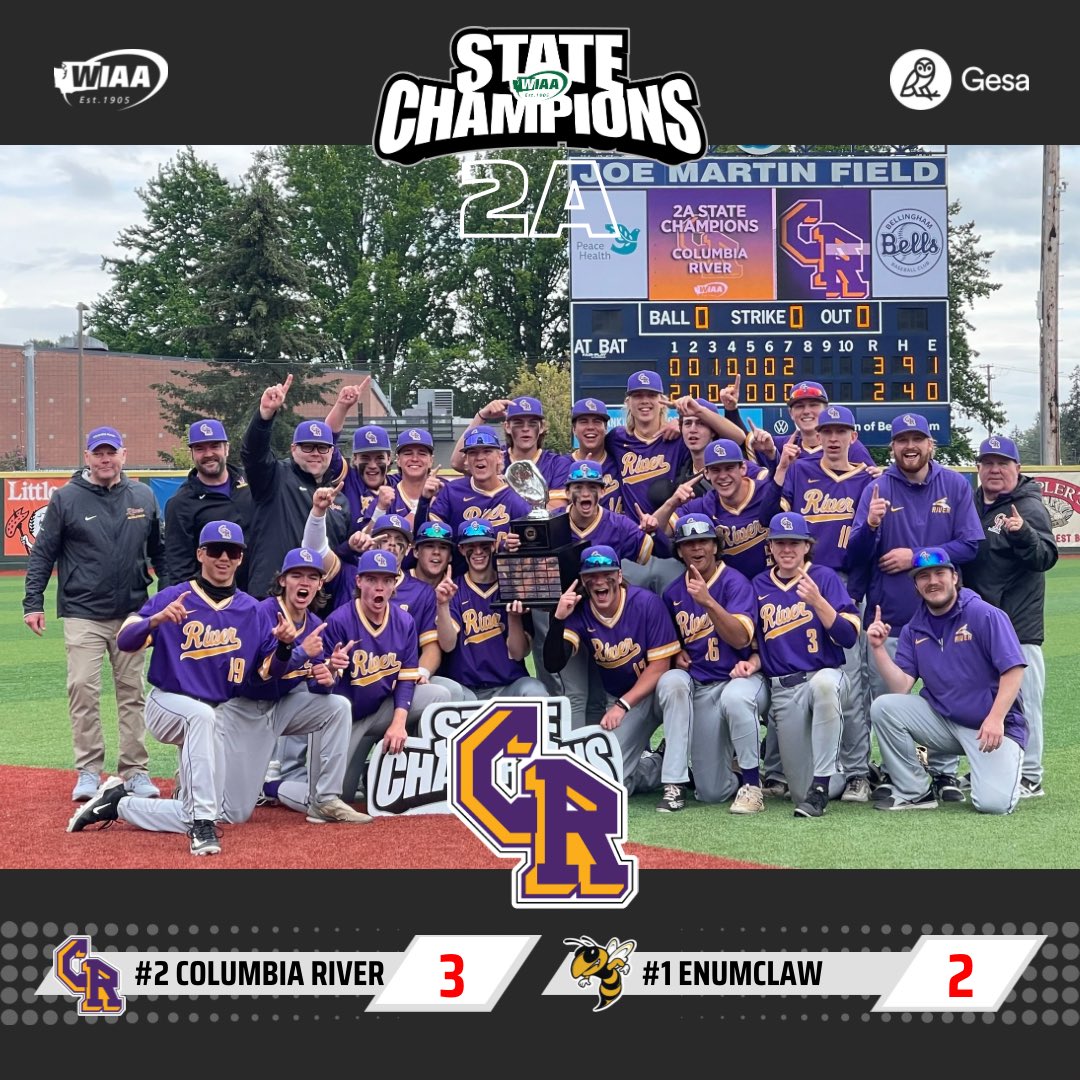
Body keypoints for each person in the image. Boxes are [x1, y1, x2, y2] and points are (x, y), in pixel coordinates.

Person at [66, 522, 297, 855]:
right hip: (167, 704)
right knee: (200, 720)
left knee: (228, 813)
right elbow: (125, 640)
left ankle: (119, 804)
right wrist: (155, 620)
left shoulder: (252, 610)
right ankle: (201, 827)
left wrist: (286, 648)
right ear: (201, 554)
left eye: (232, 552)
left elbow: (265, 673)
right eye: (215, 550)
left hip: (215, 717)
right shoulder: (174, 597)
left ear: (240, 558)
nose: (224, 558)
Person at [23, 425, 166, 802]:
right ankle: (88, 770)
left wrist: (164, 602)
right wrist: (33, 602)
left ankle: (135, 771)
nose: (105, 459)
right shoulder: (66, 498)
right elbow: (43, 553)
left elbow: (160, 553)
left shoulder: (143, 495)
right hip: (83, 610)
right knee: (82, 689)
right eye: (98, 453)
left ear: (123, 455)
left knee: (132, 692)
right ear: (87, 457)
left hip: (132, 612)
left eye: (111, 452)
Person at [848, 412, 984, 801]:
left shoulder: (954, 484)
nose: (910, 446)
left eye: (917, 439)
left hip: (944, 619)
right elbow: (855, 554)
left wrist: (917, 556)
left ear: (930, 444)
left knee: (948, 697)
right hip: (890, 617)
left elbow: (971, 544)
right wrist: (871, 526)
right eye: (902, 440)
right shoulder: (876, 488)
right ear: (892, 447)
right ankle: (903, 775)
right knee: (887, 700)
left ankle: (944, 774)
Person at [217, 547, 371, 825]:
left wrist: (329, 674)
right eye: (296, 575)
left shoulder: (315, 624)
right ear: (283, 580)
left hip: (281, 708)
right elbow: (259, 677)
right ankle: (188, 785)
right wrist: (298, 652)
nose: (305, 583)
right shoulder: (261, 613)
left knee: (337, 706)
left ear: (320, 584)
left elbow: (315, 686)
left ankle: (325, 800)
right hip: (243, 711)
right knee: (233, 814)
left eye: (312, 577)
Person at [867, 548, 1027, 814]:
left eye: (940, 573)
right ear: (916, 585)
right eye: (923, 576)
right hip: (944, 723)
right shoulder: (913, 628)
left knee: (993, 804)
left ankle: (998, 769)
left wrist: (996, 717)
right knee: (884, 707)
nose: (932, 581)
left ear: (954, 577)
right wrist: (878, 649)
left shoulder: (984, 614)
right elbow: (901, 687)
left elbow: (1013, 670)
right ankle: (915, 791)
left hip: (991, 727)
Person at [780, 404, 877, 802]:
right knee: (794, 672)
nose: (833, 438)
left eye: (841, 431)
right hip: (802, 580)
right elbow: (781, 523)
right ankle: (790, 769)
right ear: (816, 436)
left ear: (854, 436)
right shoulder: (800, 471)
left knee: (851, 681)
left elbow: (868, 542)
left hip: (845, 584)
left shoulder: (868, 478)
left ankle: (856, 772)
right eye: (827, 431)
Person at [543, 545, 683, 808]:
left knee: (675, 683)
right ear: (583, 580)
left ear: (619, 576)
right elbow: (553, 663)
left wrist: (622, 705)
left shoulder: (645, 602)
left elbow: (660, 666)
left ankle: (675, 782)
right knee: (603, 783)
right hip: (624, 701)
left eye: (606, 574)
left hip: (653, 692)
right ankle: (656, 765)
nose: (599, 581)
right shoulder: (581, 611)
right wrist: (559, 619)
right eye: (591, 576)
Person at [963, 435, 1058, 798]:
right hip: (983, 625)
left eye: (1002, 463)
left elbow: (1045, 557)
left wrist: (1024, 534)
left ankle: (1030, 774)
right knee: (988, 700)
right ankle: (995, 768)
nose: (995, 469)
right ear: (978, 468)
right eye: (988, 463)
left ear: (1017, 468)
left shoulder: (1027, 507)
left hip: (1018, 626)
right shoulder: (974, 503)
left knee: (1024, 701)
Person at [319, 549, 453, 803]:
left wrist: (398, 723)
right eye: (372, 580)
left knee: (439, 694)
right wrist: (332, 669)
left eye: (386, 580)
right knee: (329, 797)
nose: (379, 587)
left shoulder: (404, 621)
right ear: (359, 582)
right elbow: (319, 689)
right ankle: (274, 787)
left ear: (394, 585)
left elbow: (406, 678)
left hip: (381, 709)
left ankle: (407, 774)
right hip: (344, 720)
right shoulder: (339, 620)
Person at [751, 512, 862, 819]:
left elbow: (848, 637)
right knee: (800, 791)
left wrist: (818, 602)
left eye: (795, 543)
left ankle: (822, 787)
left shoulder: (823, 578)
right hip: (785, 689)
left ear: (807, 546)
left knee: (824, 685)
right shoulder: (759, 584)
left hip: (825, 675)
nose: (787, 549)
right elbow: (754, 641)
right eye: (780, 543)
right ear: (770, 547)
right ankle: (832, 776)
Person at [656, 513, 769, 812]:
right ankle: (733, 771)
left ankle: (752, 785)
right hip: (703, 686)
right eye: (688, 543)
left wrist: (708, 601)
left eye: (703, 541)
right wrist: (675, 653)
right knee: (711, 792)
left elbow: (740, 639)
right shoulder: (673, 592)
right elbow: (670, 643)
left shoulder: (735, 582)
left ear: (715, 546)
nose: (697, 548)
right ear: (679, 551)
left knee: (736, 698)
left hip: (742, 678)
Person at [240, 373, 350, 599]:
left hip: (317, 601)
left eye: (322, 448)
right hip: (271, 596)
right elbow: (253, 454)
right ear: (293, 449)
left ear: (331, 452)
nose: (316, 453)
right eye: (308, 447)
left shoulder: (340, 499)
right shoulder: (275, 477)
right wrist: (264, 416)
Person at [436, 520, 548, 699]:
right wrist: (442, 605)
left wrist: (514, 617)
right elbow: (448, 645)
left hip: (509, 686)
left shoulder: (512, 587)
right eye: (471, 546)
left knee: (535, 691)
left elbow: (518, 653)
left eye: (484, 545)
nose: (478, 552)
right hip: (467, 689)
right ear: (461, 550)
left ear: (494, 545)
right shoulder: (455, 589)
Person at [164, 418, 252, 590]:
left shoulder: (253, 483)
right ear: (191, 454)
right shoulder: (180, 504)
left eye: (215, 446)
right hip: (214, 598)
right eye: (200, 448)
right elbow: (179, 568)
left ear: (227, 448)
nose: (208, 454)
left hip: (258, 594)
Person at [450, 396, 571, 510]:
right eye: (518, 423)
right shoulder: (496, 457)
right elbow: (457, 463)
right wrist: (481, 416)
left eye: (532, 423)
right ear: (507, 427)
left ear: (542, 427)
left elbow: (555, 508)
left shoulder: (557, 463)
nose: (525, 428)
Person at [564, 397, 624, 514]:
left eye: (597, 421)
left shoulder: (620, 463)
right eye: (583, 421)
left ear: (605, 428)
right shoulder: (561, 465)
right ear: (574, 429)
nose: (590, 427)